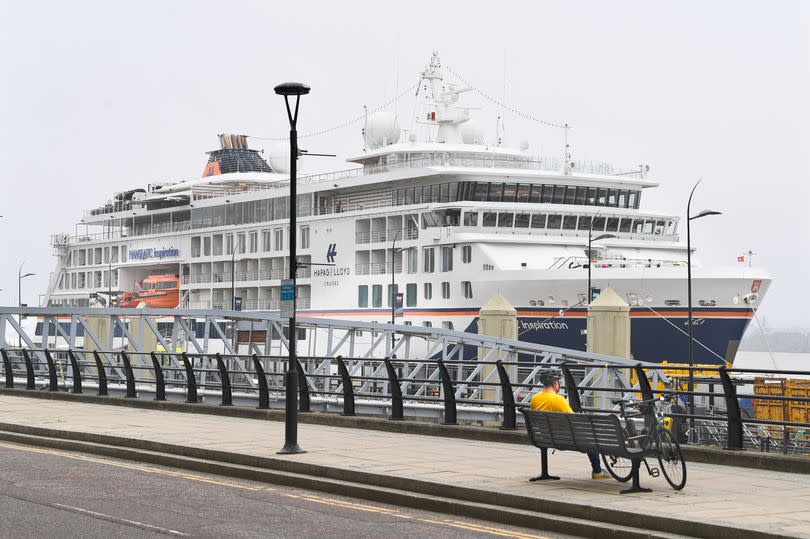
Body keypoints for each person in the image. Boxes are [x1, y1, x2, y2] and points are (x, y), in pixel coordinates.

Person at [530, 368, 611, 479]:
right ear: (555, 384)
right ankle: (597, 471)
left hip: (545, 437)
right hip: (565, 439)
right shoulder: (558, 399)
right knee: (591, 437)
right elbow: (573, 419)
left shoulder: (535, 398)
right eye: (559, 383)